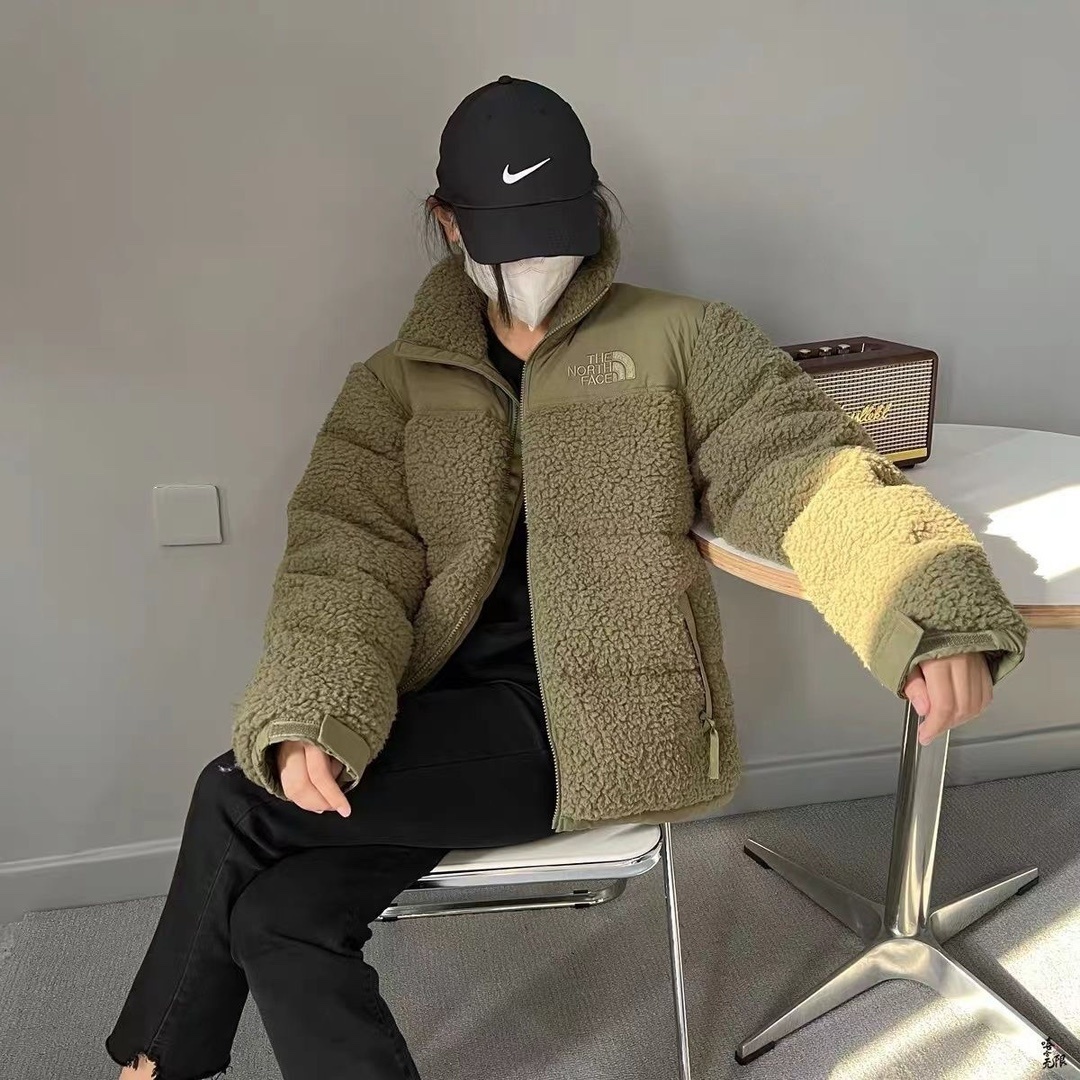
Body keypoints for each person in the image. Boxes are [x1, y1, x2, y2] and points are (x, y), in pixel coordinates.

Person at [106, 75, 1028, 1080]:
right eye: (508, 236)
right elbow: (346, 562)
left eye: (556, 230)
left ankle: (149, 1069)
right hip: (434, 730)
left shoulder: (686, 340)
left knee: (233, 795)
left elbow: (804, 472)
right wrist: (312, 714)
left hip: (591, 726)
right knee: (277, 915)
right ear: (448, 224)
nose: (538, 263)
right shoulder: (394, 387)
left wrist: (925, 605)